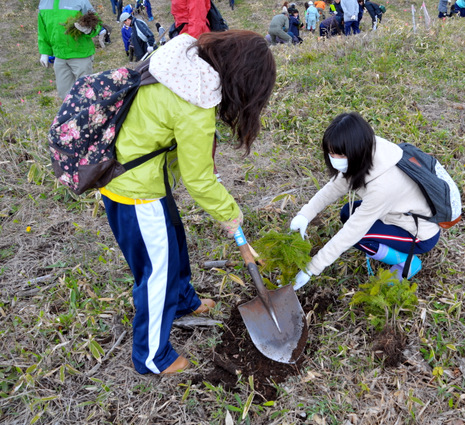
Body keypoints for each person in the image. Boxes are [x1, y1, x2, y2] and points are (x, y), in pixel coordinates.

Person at [99, 30, 276, 374]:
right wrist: (231, 215)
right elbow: (199, 180)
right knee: (157, 274)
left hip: (143, 177)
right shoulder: (196, 98)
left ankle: (182, 301)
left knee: (174, 243)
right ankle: (151, 357)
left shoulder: (182, 64)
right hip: (135, 192)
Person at [290, 112, 441, 290]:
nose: (335, 160)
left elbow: (352, 232)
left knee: (359, 236)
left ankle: (407, 261)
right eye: (331, 153)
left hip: (419, 233)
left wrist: (312, 268)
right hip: (395, 213)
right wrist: (305, 215)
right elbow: (335, 186)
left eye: (340, 155)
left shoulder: (382, 187)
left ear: (355, 150)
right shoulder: (366, 148)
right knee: (347, 212)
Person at [37, 0, 102, 98]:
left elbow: (96, 22)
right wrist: (45, 52)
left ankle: (87, 112)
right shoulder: (44, 3)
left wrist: (88, 30)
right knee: (65, 95)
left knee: (86, 93)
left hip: (81, 55)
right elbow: (42, 30)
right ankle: (72, 113)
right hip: (59, 56)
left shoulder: (81, 1)